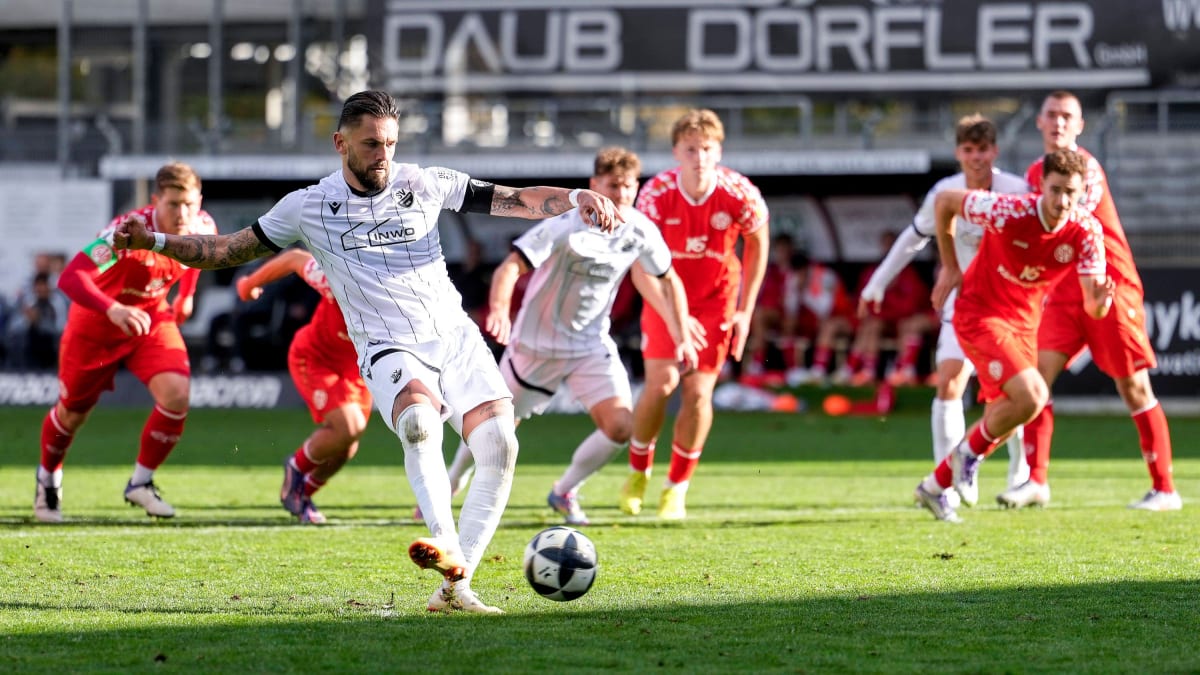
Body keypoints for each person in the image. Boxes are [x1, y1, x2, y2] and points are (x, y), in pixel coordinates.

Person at [110, 90, 621, 614]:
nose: (384, 155)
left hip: (455, 336)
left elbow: (512, 199)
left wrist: (574, 196)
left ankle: (454, 587)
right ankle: (446, 545)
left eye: (391, 143)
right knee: (420, 424)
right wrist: (153, 241)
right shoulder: (307, 206)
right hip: (387, 345)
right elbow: (228, 249)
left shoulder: (423, 182)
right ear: (341, 144)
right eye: (372, 143)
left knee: (500, 446)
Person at [424, 147, 701, 526]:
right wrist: (502, 310)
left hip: (590, 346)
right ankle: (454, 479)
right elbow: (510, 267)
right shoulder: (566, 222)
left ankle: (564, 490)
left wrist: (681, 333)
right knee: (494, 427)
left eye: (628, 187)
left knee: (621, 427)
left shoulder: (639, 230)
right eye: (612, 186)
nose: (620, 195)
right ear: (595, 186)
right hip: (536, 347)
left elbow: (669, 279)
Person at [1000, 91, 1181, 511]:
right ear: (1039, 123)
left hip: (1107, 285)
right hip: (1062, 294)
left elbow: (1064, 218)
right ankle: (1036, 480)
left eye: (1067, 116)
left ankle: (1165, 488)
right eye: (1052, 115)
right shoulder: (1032, 174)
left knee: (1133, 385)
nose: (1059, 123)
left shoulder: (1088, 169)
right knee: (1035, 382)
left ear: (1080, 126)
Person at [914, 149, 1112, 523]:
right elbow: (944, 202)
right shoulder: (1010, 209)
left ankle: (934, 487)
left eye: (1071, 192)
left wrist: (1100, 304)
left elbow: (1093, 305)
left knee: (1005, 416)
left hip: (1023, 324)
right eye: (1055, 190)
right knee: (1034, 395)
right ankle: (966, 458)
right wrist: (951, 267)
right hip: (979, 313)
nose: (1062, 201)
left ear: (1083, 190)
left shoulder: (1086, 230)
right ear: (1041, 186)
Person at [858, 114, 1031, 496]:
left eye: (983, 149)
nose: (976, 158)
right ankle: (948, 482)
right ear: (958, 153)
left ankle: (1021, 469)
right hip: (965, 304)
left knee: (1012, 394)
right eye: (968, 150)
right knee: (949, 380)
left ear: (994, 151)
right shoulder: (944, 193)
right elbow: (914, 236)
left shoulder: (1017, 190)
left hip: (1009, 307)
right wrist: (878, 283)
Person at [34, 162, 215, 523]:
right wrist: (112, 308)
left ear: (199, 202)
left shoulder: (203, 225)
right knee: (72, 414)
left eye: (189, 204)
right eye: (174, 204)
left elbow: (198, 255)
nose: (183, 214)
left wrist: (186, 297)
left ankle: (141, 484)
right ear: (155, 201)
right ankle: (48, 482)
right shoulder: (126, 232)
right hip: (97, 325)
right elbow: (71, 278)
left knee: (177, 394)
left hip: (150, 319)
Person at [618, 108, 769, 520]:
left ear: (718, 150)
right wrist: (675, 321)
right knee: (661, 384)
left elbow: (758, 243)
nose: (699, 157)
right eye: (690, 149)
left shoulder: (740, 192)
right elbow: (638, 268)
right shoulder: (656, 194)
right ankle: (638, 472)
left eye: (707, 149)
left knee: (699, 392)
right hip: (665, 300)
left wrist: (745, 310)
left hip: (716, 302)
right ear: (676, 152)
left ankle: (676, 487)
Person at [235, 249, 372, 524]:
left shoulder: (401, 297)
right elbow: (295, 258)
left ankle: (302, 494)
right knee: (349, 427)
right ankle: (296, 466)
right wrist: (250, 283)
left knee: (346, 447)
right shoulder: (338, 280)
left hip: (356, 370)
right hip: (315, 358)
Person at [842, 231, 938, 387]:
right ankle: (862, 371)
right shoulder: (872, 272)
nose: (889, 248)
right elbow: (864, 303)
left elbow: (910, 307)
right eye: (885, 244)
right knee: (872, 326)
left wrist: (886, 313)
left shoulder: (909, 274)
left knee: (907, 325)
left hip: (903, 320)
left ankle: (905, 370)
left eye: (892, 244)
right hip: (884, 321)